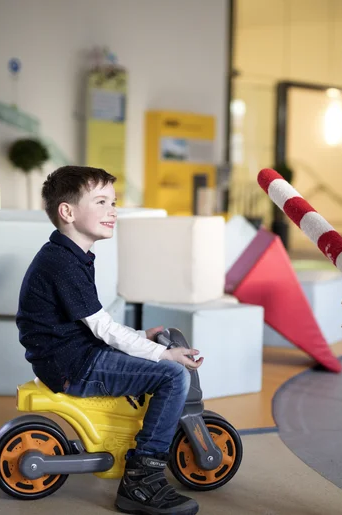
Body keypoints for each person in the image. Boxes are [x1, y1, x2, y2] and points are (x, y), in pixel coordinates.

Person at [16, 165, 203, 515]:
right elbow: (101, 327)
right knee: (173, 376)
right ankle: (141, 481)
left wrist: (137, 337)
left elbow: (90, 322)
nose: (113, 211)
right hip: (73, 364)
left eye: (114, 202)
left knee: (153, 362)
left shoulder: (71, 255)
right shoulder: (62, 262)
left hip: (73, 353)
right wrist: (162, 353)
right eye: (101, 201)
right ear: (67, 211)